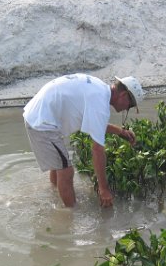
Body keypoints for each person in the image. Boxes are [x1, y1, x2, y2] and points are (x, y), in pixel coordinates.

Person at [23, 73, 145, 208]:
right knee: (67, 171)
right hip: (42, 122)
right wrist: (103, 189)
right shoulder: (100, 102)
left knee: (60, 164)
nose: (127, 109)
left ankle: (54, 196)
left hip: (40, 113)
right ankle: (70, 215)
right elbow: (97, 149)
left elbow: (95, 122)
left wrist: (120, 132)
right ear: (123, 96)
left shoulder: (99, 89)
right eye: (130, 106)